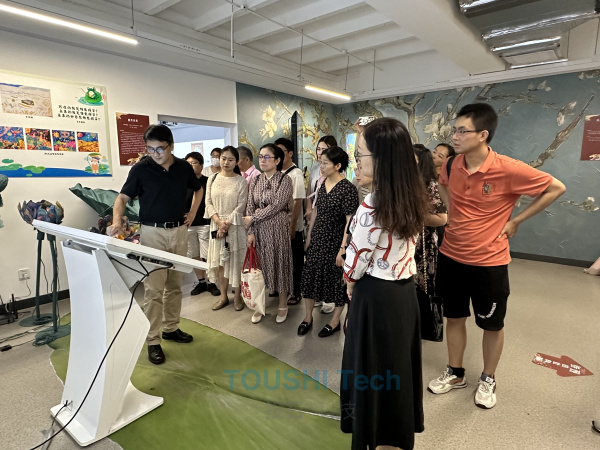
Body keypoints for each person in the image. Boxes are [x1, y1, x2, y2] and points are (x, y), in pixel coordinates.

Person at [429, 103, 566, 409]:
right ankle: (455, 372)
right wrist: (452, 211)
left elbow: (556, 188)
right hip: (451, 255)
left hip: (489, 262)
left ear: (483, 134)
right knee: (454, 317)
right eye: (454, 130)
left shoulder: (509, 168)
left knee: (491, 324)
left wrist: (517, 221)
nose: (455, 136)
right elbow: (443, 185)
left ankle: (488, 377)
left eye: (462, 131)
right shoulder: (451, 165)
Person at [342, 118, 428, 450]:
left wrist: (349, 283)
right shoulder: (413, 196)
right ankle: (394, 434)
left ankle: (372, 432)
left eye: (360, 155)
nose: (357, 162)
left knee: (371, 369)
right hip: (404, 295)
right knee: (397, 367)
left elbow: (356, 259)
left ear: (381, 159)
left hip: (375, 297)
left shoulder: (372, 205)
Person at [111, 124, 201, 365]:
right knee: (154, 288)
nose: (155, 153)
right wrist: (117, 220)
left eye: (160, 148)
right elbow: (122, 197)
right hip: (152, 234)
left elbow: (198, 189)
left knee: (175, 284)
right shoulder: (141, 169)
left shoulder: (183, 167)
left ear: (171, 146)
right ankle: (153, 340)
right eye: (150, 149)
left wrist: (193, 211)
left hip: (179, 231)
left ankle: (171, 328)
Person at [298, 146, 358, 338]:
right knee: (310, 277)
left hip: (335, 241)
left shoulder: (347, 189)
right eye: (321, 162)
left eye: (325, 163)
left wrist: (343, 249)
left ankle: (334, 321)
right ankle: (308, 317)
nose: (321, 166)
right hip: (318, 239)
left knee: (336, 282)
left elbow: (349, 221)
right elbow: (315, 211)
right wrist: (309, 237)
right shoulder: (321, 183)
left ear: (338, 166)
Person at [244, 144, 294, 324]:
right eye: (260, 156)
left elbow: (277, 206)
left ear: (277, 160)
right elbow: (250, 206)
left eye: (267, 157)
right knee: (259, 269)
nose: (262, 160)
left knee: (280, 265)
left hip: (278, 230)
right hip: (258, 231)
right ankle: (259, 305)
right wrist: (250, 231)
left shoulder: (285, 180)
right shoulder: (256, 180)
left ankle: (282, 304)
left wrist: (253, 218)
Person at [205, 146, 248, 312]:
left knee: (236, 263)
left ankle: (238, 296)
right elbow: (208, 202)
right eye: (223, 159)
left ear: (236, 162)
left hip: (235, 226)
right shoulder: (212, 178)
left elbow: (241, 205)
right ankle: (223, 297)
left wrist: (226, 224)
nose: (226, 162)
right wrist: (218, 221)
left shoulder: (241, 181)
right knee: (220, 262)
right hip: (216, 225)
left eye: (230, 160)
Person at [305, 135, 338, 314]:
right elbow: (310, 192)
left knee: (329, 261)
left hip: (330, 222)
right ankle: (317, 294)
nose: (319, 153)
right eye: (318, 149)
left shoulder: (336, 174)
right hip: (314, 217)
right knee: (315, 259)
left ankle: (329, 298)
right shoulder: (314, 169)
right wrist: (309, 210)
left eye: (324, 149)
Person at [274, 137, 306, 306]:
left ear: (290, 153)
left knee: (294, 260)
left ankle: (296, 291)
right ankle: (281, 288)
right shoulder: (276, 173)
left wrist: (292, 226)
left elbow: (297, 201)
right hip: (277, 226)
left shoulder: (296, 173)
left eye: (281, 152)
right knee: (281, 260)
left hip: (291, 226)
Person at [185, 151, 221, 297]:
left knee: (207, 254)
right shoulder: (182, 182)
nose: (190, 166)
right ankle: (201, 282)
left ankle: (211, 282)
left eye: (193, 163)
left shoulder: (208, 181)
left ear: (201, 165)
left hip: (205, 223)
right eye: (188, 163)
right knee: (194, 254)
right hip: (188, 225)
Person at [413, 146, 447, 296]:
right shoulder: (405, 183)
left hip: (423, 243)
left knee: (422, 286)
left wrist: (412, 216)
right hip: (403, 240)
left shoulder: (432, 185)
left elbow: (442, 218)